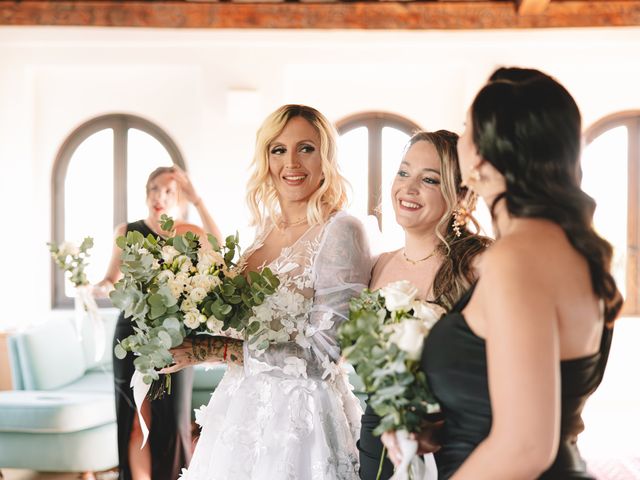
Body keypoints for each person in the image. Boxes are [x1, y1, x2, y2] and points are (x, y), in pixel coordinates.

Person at [383, 68, 624, 479]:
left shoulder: (516, 258)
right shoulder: (569, 248)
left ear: (481, 156)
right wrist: (445, 429)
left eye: (465, 131)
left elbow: (527, 447)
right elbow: (531, 403)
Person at [167, 104, 373, 479]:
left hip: (301, 422)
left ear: (326, 156)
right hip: (240, 411)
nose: (291, 162)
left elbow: (324, 356)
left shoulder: (343, 231)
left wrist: (210, 350)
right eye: (278, 150)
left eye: (306, 148)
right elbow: (246, 326)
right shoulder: (265, 229)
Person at [358, 131, 490, 479]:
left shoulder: (479, 265)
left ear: (461, 194)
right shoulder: (378, 265)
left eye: (429, 179)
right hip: (377, 440)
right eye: (403, 173)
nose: (409, 188)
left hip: (450, 445)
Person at [94, 165, 222, 480]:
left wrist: (199, 200)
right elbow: (112, 278)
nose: (160, 197)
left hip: (176, 338)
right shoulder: (127, 231)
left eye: (169, 191)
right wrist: (97, 287)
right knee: (135, 419)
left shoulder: (190, 233)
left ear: (181, 197)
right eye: (154, 188)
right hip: (131, 333)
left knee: (173, 420)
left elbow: (218, 251)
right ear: (146, 192)